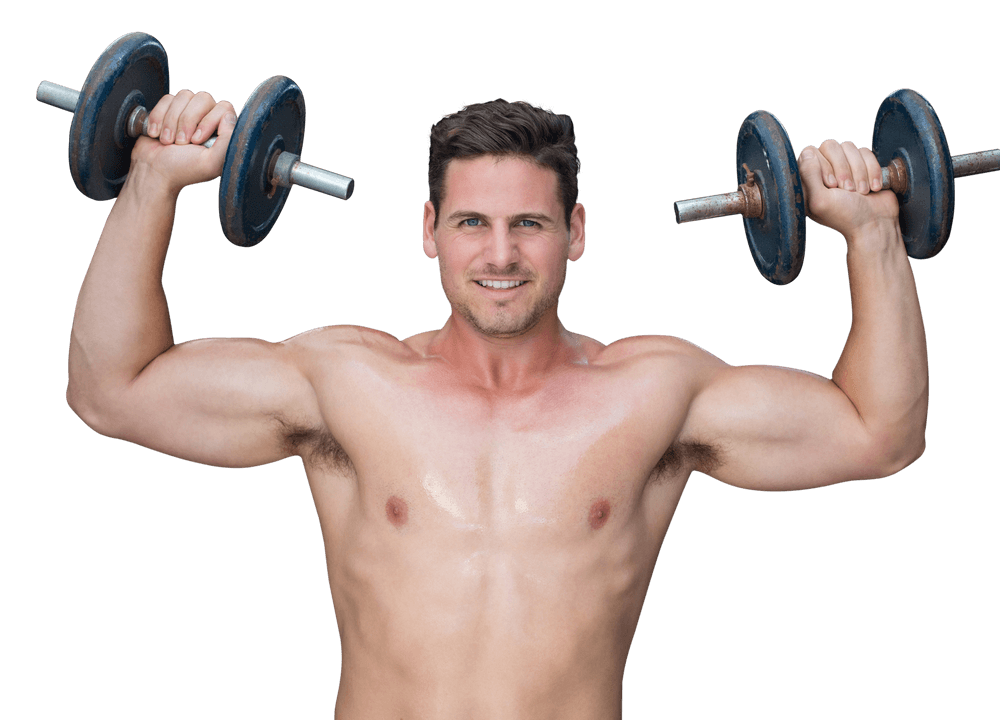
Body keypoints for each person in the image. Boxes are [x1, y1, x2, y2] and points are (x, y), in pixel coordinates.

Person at [66, 91, 927, 719]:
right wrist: (154, 179)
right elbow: (113, 390)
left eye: (531, 224)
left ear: (576, 233)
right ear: (430, 231)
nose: (501, 253)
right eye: (473, 223)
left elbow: (878, 433)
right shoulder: (348, 383)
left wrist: (874, 231)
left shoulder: (652, 393)